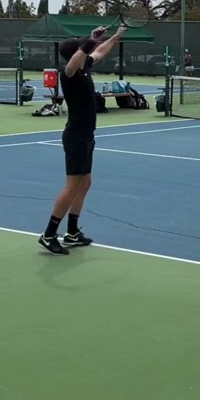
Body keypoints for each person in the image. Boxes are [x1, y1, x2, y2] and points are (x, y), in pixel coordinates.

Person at [37, 24, 127, 256]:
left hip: (86, 135)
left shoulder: (84, 66)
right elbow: (78, 58)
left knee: (85, 183)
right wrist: (89, 39)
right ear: (77, 51)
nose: (87, 52)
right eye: (82, 48)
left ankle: (72, 232)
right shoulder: (68, 73)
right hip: (76, 135)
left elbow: (100, 52)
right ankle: (48, 234)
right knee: (72, 185)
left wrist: (115, 36)